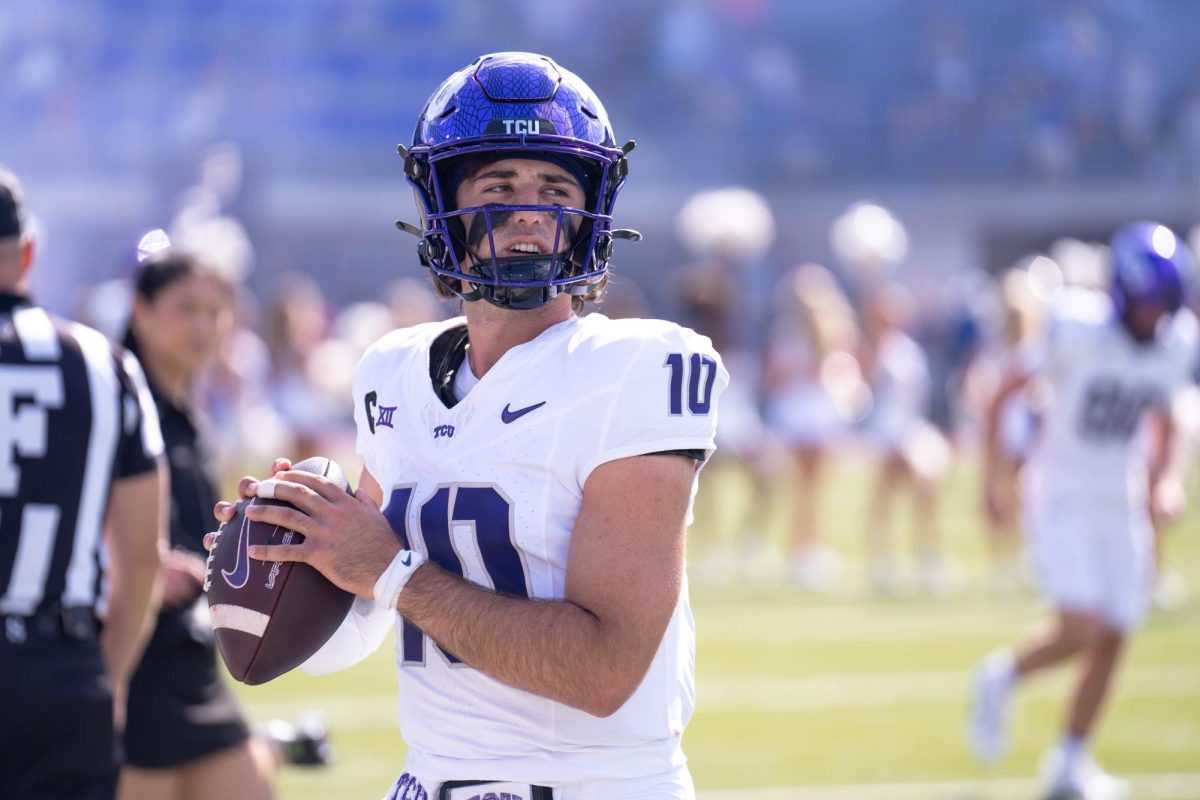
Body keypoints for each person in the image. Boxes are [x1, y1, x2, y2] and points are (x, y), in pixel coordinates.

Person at [210, 52, 727, 800]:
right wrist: (284, 563)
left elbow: (603, 670)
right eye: (499, 186)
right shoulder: (392, 371)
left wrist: (385, 567)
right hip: (427, 781)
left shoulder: (636, 367)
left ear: (591, 215)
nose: (529, 211)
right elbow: (366, 618)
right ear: (441, 207)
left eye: (555, 188)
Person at [970, 222, 1198, 800]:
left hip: (1118, 496)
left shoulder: (1175, 340)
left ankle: (1070, 761)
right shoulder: (1075, 325)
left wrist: (1166, 479)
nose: (1156, 320)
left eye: (1163, 309)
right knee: (1083, 624)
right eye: (1149, 307)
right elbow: (1003, 392)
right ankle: (1001, 677)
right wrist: (994, 480)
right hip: (1063, 491)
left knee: (1119, 628)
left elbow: (1171, 414)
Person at [119, 248, 334, 800]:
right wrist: (126, 567)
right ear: (140, 311)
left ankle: (272, 746)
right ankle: (279, 745)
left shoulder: (189, 413)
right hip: (128, 656)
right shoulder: (116, 402)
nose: (203, 325)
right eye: (186, 308)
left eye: (215, 311)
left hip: (190, 654)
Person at [0, 165, 166, 798]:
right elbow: (141, 563)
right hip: (60, 672)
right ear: (29, 252)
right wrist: (109, 677)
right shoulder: (105, 364)